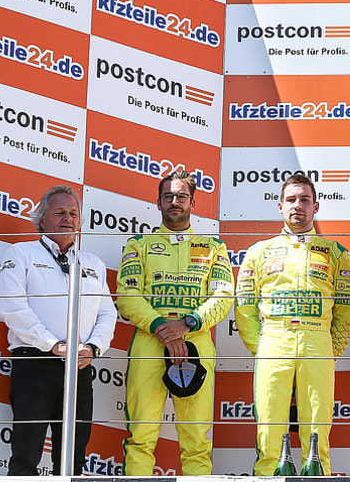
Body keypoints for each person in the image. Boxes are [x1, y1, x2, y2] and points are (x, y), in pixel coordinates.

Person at [235, 173, 350, 476]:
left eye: (304, 200)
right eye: (291, 200)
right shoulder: (258, 251)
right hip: (273, 341)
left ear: (316, 206)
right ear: (280, 206)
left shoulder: (337, 253)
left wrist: (330, 350)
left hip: (318, 341)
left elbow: (347, 310)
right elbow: (245, 308)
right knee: (269, 433)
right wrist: (261, 347)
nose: (297, 205)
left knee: (317, 436)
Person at [116, 170, 234, 475]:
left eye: (181, 196)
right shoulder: (139, 244)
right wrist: (161, 328)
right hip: (149, 340)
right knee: (140, 438)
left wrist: (189, 323)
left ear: (193, 203)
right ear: (158, 203)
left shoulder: (214, 248)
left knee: (196, 442)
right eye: (168, 197)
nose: (175, 202)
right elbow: (127, 295)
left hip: (196, 341)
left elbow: (223, 297)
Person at [0, 185, 116, 475]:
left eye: (73, 213)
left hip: (79, 368)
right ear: (41, 219)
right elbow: (13, 307)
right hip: (34, 363)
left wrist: (94, 347)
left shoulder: (93, 263)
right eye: (60, 212)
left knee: (73, 461)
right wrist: (51, 343)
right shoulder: (21, 253)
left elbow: (107, 314)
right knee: (26, 456)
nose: (68, 218)